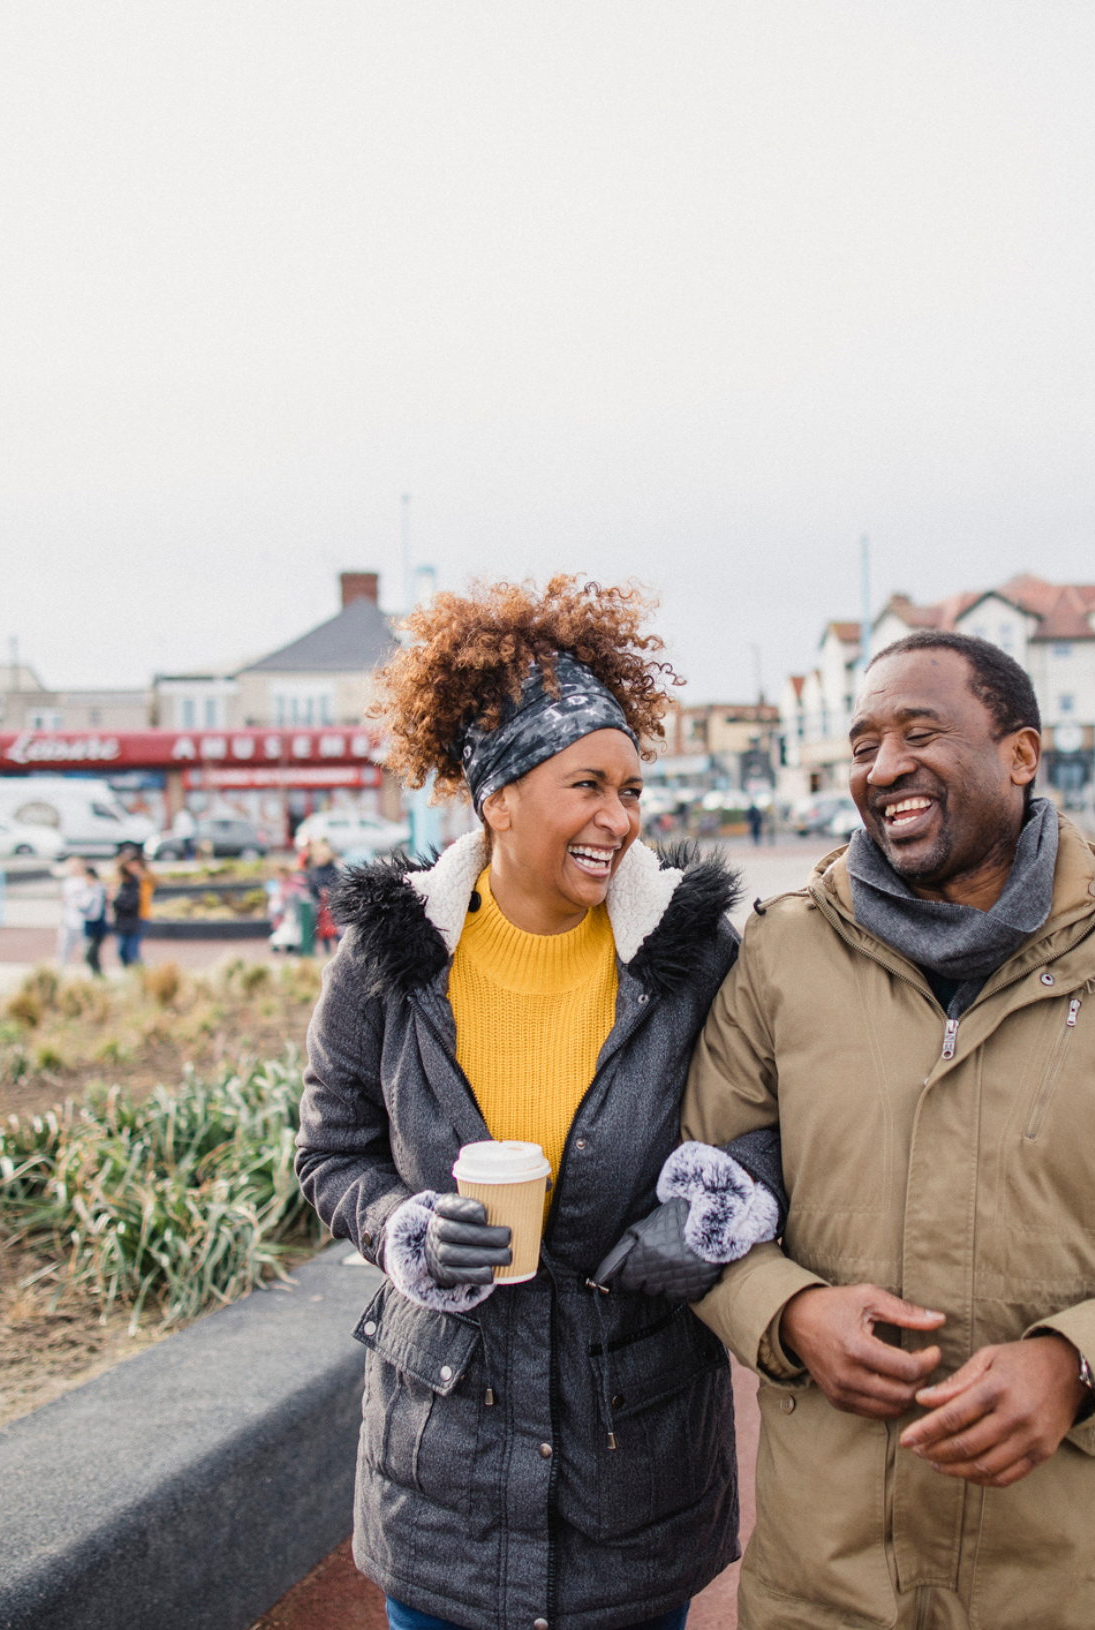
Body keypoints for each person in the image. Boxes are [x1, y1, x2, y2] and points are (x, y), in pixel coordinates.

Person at [683, 630, 1095, 1630]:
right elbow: (697, 1195)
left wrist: (1076, 1362)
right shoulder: (781, 951)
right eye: (863, 743)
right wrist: (787, 1313)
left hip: (1062, 1576)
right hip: (826, 1577)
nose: (883, 768)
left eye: (919, 731)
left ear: (1021, 753)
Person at [296, 577, 782, 1630]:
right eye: (588, 785)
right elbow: (329, 1153)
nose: (620, 817)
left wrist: (710, 1208)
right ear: (497, 796)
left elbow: (767, 1127)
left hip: (637, 1459)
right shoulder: (389, 959)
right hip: (443, 1470)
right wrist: (402, 1226)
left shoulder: (693, 956)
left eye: (633, 790)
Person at [111, 854, 145, 968]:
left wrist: (116, 900)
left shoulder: (134, 883)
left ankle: (138, 974)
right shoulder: (121, 883)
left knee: (132, 953)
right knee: (122, 952)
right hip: (121, 922)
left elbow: (132, 902)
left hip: (132, 922)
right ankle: (129, 973)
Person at [80, 861, 108, 977]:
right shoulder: (89, 889)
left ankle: (98, 974)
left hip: (97, 925)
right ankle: (96, 975)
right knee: (92, 954)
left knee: (90, 954)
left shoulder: (97, 889)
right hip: (90, 925)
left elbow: (93, 911)